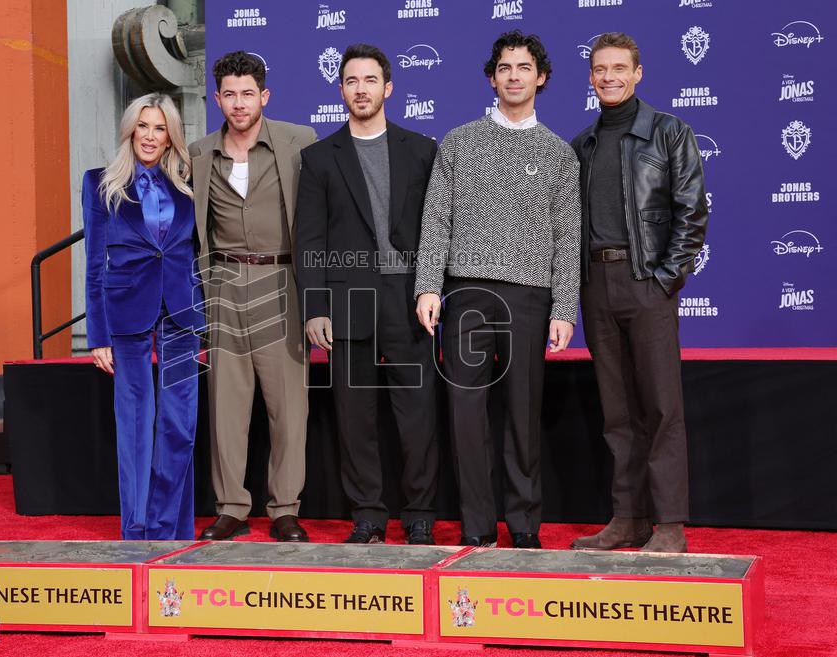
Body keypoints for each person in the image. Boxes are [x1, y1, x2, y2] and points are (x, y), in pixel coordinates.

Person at [415, 30, 581, 549]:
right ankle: (478, 526)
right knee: (466, 416)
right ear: (492, 78)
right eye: (505, 67)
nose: (514, 76)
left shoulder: (558, 154)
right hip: (464, 294)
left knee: (522, 414)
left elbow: (567, 237)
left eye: (523, 67)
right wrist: (428, 288)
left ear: (541, 77)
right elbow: (436, 220)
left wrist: (565, 309)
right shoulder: (458, 142)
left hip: (530, 296)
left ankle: (526, 525)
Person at [295, 44, 440, 545]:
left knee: (417, 411)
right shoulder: (317, 159)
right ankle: (368, 516)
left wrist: (432, 289)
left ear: (388, 87)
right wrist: (315, 308)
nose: (361, 89)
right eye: (352, 81)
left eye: (370, 80)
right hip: (347, 296)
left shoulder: (422, 149)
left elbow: (437, 229)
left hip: (408, 294)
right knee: (354, 415)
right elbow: (309, 240)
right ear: (341, 89)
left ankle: (420, 514)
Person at [570, 32, 708, 554]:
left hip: (646, 280)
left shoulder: (669, 132)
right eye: (600, 69)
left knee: (660, 405)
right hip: (596, 284)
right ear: (590, 77)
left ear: (638, 72)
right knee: (617, 411)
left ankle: (669, 522)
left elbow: (692, 211)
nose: (610, 77)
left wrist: (665, 277)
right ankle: (627, 517)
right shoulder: (582, 143)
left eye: (619, 68)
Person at [189, 51, 316, 542]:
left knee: (289, 406)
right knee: (227, 404)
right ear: (216, 98)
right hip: (223, 284)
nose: (239, 104)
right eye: (229, 94)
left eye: (248, 94)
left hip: (283, 281)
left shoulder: (298, 141)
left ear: (264, 96)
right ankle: (231, 508)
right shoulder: (198, 154)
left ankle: (285, 508)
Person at [83, 93, 203, 540]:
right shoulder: (99, 183)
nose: (150, 136)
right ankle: (136, 530)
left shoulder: (189, 182)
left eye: (160, 128)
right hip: (125, 311)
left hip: (182, 311)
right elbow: (95, 264)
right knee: (134, 423)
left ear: (171, 135)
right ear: (130, 130)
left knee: (178, 423)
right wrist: (98, 334)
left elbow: (196, 252)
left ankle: (169, 526)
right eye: (143, 127)